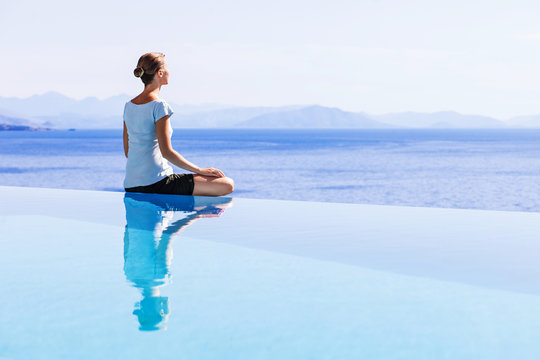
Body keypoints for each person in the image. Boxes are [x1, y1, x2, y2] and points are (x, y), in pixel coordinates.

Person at [123, 52, 234, 196]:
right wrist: (199, 170)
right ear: (160, 73)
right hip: (158, 183)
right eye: (167, 68)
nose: (170, 72)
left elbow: (128, 152)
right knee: (227, 184)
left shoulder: (128, 106)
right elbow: (167, 152)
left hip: (131, 185)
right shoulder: (159, 105)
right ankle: (197, 212)